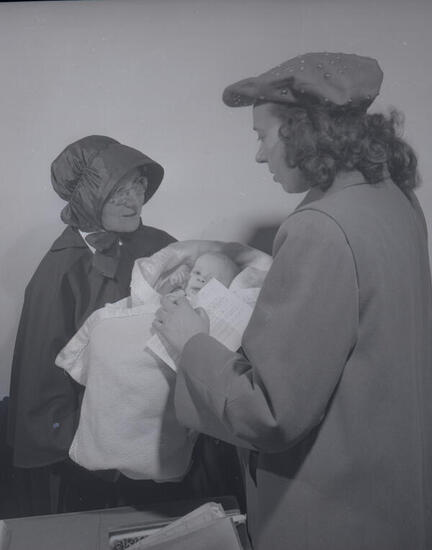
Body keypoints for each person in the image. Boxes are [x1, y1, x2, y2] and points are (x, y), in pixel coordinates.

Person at [153, 52, 432, 550]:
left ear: (303, 132)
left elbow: (269, 413)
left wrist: (191, 341)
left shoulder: (318, 228)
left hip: (332, 513)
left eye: (263, 136)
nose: (260, 156)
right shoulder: (395, 198)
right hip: (391, 495)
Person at [7, 135, 176, 514]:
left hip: (164, 431)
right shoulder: (58, 273)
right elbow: (43, 387)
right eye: (118, 191)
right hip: (99, 453)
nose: (134, 201)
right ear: (87, 196)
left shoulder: (161, 244)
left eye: (138, 185)